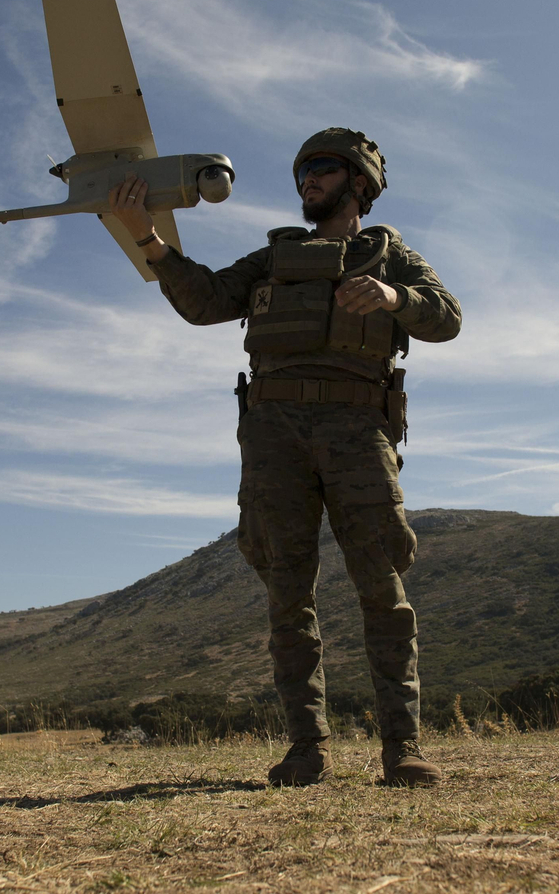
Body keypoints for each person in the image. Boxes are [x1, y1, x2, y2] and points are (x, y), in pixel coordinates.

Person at [107, 127, 461, 787]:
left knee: (382, 589)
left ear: (359, 182)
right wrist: (147, 238)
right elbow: (206, 302)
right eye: (302, 172)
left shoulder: (391, 257)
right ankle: (306, 749)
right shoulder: (273, 259)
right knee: (287, 593)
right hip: (274, 435)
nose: (307, 181)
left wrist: (392, 298)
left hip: (359, 430)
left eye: (322, 169)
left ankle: (403, 749)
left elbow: (447, 317)